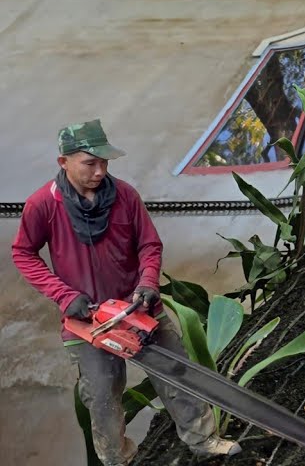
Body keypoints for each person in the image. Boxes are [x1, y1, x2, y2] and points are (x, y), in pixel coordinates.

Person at [11, 119, 241, 465]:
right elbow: (23, 253)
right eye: (90, 163)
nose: (100, 171)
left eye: (104, 162)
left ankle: (204, 440)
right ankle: (117, 460)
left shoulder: (125, 196)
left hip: (138, 309)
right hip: (88, 321)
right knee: (102, 396)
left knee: (176, 373)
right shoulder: (43, 204)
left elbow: (149, 244)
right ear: (64, 162)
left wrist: (147, 282)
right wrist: (63, 295)